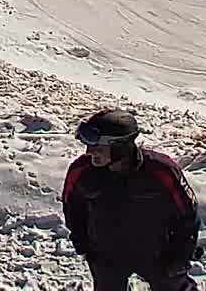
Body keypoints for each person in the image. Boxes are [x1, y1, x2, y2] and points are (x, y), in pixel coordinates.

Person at [62, 109, 198, 291]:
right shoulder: (81, 171)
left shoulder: (160, 171)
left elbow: (187, 214)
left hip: (158, 253)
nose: (90, 151)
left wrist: (180, 254)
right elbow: (72, 207)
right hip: (105, 254)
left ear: (120, 145)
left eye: (97, 146)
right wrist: (82, 242)